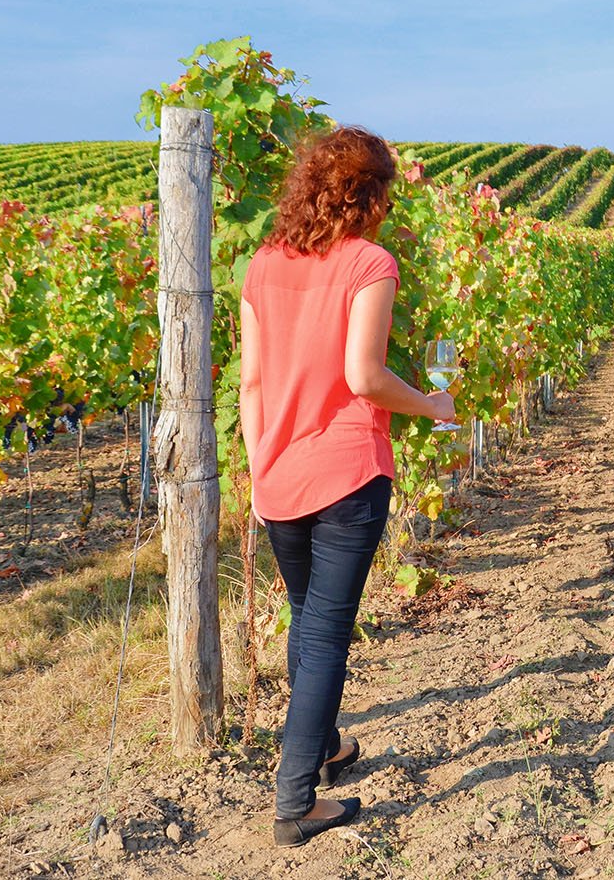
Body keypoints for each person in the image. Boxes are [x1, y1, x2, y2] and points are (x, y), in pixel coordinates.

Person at [239, 126, 455, 847]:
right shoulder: (369, 263)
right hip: (346, 471)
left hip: (276, 473)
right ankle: (296, 803)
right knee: (327, 633)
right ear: (371, 195)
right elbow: (364, 377)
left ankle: (326, 747)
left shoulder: (263, 264)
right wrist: (430, 403)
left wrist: (260, 457)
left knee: (307, 615)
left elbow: (251, 382)